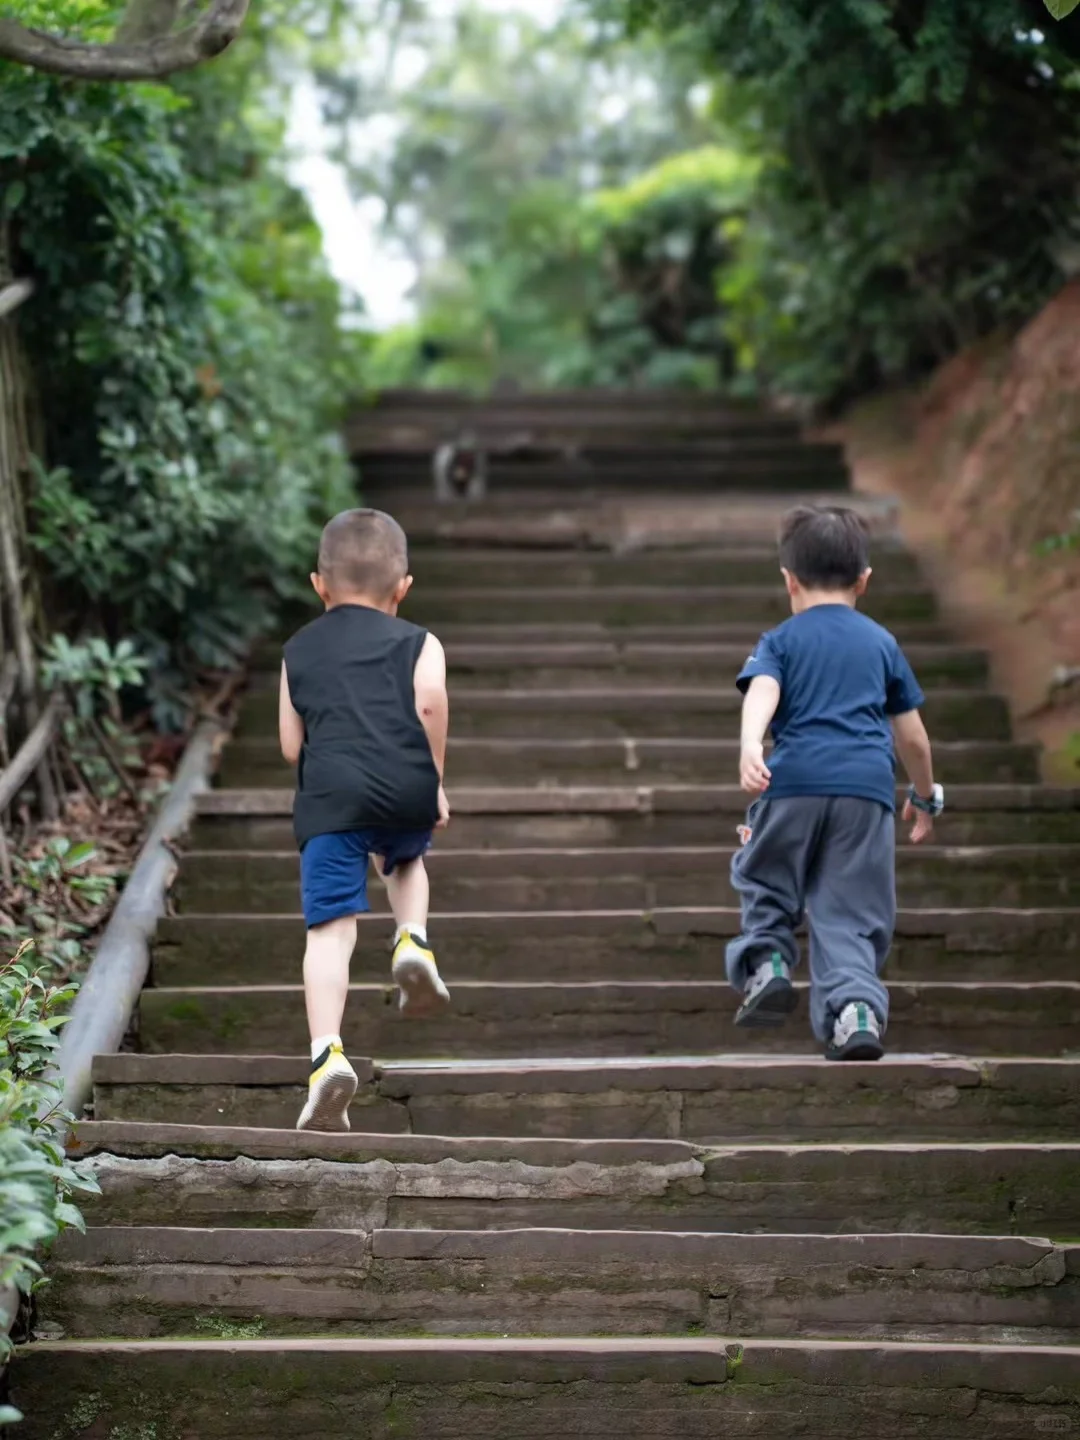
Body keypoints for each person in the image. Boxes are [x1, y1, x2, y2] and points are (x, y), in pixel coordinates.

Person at [727, 505, 944, 1062]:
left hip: (795, 779)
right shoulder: (881, 643)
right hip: (867, 792)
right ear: (864, 581)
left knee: (765, 872)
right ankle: (854, 1013)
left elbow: (764, 691)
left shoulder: (779, 640)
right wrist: (923, 795)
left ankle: (769, 962)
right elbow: (914, 739)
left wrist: (753, 744)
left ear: (788, 579)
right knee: (851, 907)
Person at [279, 508, 451, 1131]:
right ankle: (413, 940)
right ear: (403, 588)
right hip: (406, 781)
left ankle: (327, 1057)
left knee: (329, 931)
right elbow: (429, 704)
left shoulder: (297, 648)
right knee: (406, 859)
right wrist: (433, 778)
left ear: (318, 585)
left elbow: (291, 746)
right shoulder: (420, 642)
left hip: (331, 799)